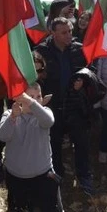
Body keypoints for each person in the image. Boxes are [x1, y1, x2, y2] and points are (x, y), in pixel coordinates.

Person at [34, 18, 89, 184]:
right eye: (64, 32)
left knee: (81, 142)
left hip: (75, 104)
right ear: (53, 33)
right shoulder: (41, 51)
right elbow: (34, 78)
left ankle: (84, 175)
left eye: (70, 31)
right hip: (53, 106)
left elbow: (90, 70)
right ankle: (57, 173)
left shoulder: (79, 49)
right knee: (54, 142)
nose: (68, 35)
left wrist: (84, 81)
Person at [0, 84, 62, 212]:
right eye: (30, 96)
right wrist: (13, 118)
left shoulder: (45, 113)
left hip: (42, 176)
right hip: (16, 177)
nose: (35, 100)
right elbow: (2, 136)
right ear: (20, 99)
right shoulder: (9, 114)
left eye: (38, 96)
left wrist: (30, 101)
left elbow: (49, 121)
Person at [60, 68, 95, 194]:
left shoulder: (78, 53)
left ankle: (83, 176)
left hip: (80, 118)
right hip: (63, 113)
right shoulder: (46, 50)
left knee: (82, 148)